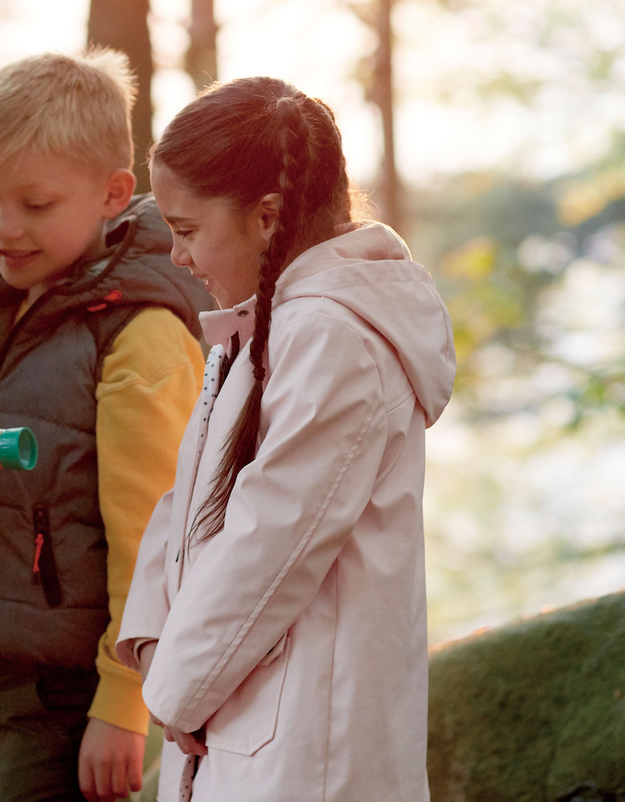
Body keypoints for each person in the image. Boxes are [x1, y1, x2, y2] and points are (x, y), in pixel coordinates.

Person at [116, 77, 456, 801]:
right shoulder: (261, 326)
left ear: (266, 216)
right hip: (233, 718)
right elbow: (185, 500)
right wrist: (151, 640)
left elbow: (270, 540)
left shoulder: (332, 339)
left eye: (185, 229)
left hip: (306, 747)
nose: (176, 256)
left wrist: (175, 689)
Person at [0, 50, 212, 802]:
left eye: (34, 205)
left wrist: (122, 703)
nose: (3, 229)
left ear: (112, 194)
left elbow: (157, 539)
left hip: (64, 701)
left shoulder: (136, 337)